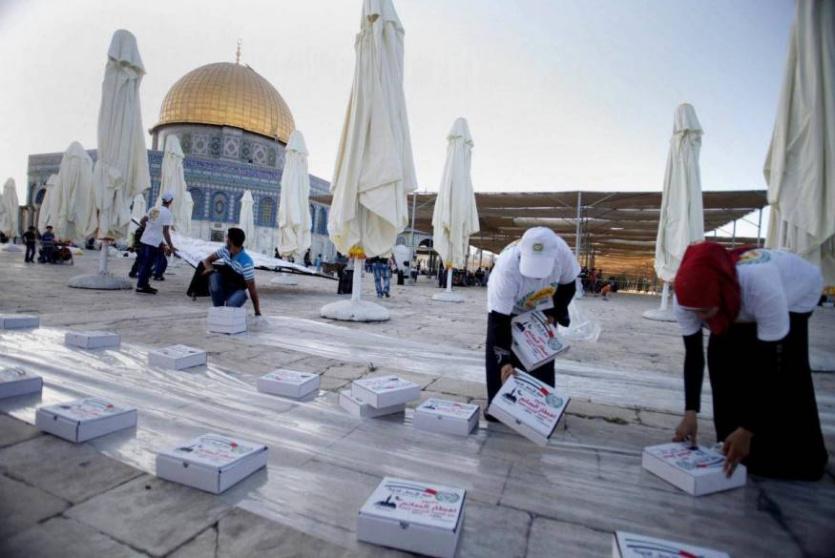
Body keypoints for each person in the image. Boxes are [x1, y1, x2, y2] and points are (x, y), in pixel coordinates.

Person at [672, 242, 827, 480]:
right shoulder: (686, 297)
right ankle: (730, 441)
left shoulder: (760, 285)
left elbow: (769, 365)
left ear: (721, 293)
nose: (698, 318)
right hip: (735, 301)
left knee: (785, 368)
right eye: (694, 311)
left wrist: (748, 428)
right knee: (721, 357)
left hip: (796, 294)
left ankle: (794, 456)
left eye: (704, 311)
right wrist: (690, 412)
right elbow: (694, 355)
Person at [484, 227, 580, 417]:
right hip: (509, 309)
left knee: (541, 354)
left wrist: (555, 313)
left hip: (544, 306)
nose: (536, 276)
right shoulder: (507, 267)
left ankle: (540, 408)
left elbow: (568, 286)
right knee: (499, 358)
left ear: (554, 256)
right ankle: (498, 405)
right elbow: (499, 321)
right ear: (522, 253)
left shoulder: (563, 253)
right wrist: (504, 361)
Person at [202, 227, 262, 316]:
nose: (226, 239)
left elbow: (252, 290)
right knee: (214, 276)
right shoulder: (225, 250)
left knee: (231, 306)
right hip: (223, 287)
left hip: (237, 291)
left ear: (230, 241)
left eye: (227, 238)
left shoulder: (246, 263)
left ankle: (227, 311)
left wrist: (257, 311)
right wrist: (209, 268)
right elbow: (207, 260)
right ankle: (218, 310)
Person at [136, 193, 176, 294]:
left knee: (146, 263)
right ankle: (141, 286)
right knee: (147, 264)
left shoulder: (154, 209)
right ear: (170, 201)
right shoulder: (167, 213)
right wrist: (171, 246)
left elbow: (142, 221)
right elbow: (166, 231)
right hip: (153, 242)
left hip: (145, 240)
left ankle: (144, 284)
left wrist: (149, 229)